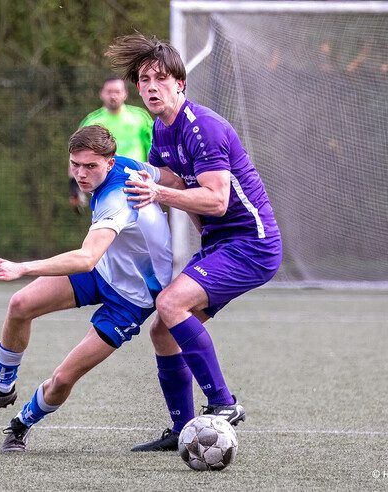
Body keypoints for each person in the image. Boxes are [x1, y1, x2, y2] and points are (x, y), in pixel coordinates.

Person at [105, 33, 283, 451]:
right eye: (143, 79)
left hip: (251, 243)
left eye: (160, 79)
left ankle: (224, 404)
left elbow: (217, 200)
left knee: (170, 304)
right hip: (222, 243)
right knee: (163, 331)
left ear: (180, 84)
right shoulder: (160, 129)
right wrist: (131, 174)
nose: (150, 87)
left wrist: (160, 194)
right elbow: (167, 178)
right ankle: (184, 429)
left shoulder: (203, 127)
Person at [0, 125, 179, 452]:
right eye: (75, 164)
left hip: (132, 300)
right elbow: (172, 179)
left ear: (109, 162)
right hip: (107, 270)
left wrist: (21, 267)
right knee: (20, 305)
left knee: (63, 379)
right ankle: (2, 388)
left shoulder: (118, 197)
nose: (80, 173)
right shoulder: (129, 165)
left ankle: (21, 424)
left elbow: (87, 257)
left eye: (90, 166)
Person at [69, 77, 154, 213]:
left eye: (117, 91)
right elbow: (76, 154)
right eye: (109, 92)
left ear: (125, 93)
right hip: (106, 187)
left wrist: (154, 176)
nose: (113, 96)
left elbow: (153, 149)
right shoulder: (92, 120)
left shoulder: (140, 117)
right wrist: (74, 188)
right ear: (101, 93)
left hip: (138, 185)